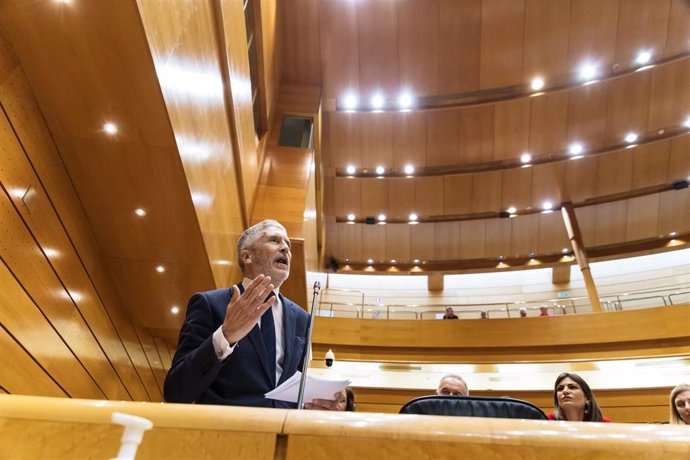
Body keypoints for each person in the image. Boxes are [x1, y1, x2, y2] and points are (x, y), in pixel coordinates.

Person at [164, 219, 343, 410]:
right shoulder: (210, 304)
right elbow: (176, 392)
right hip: (226, 432)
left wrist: (312, 403)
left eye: (288, 245)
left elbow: (291, 388)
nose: (285, 249)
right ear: (247, 256)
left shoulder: (302, 318)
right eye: (275, 240)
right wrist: (225, 336)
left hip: (283, 432)